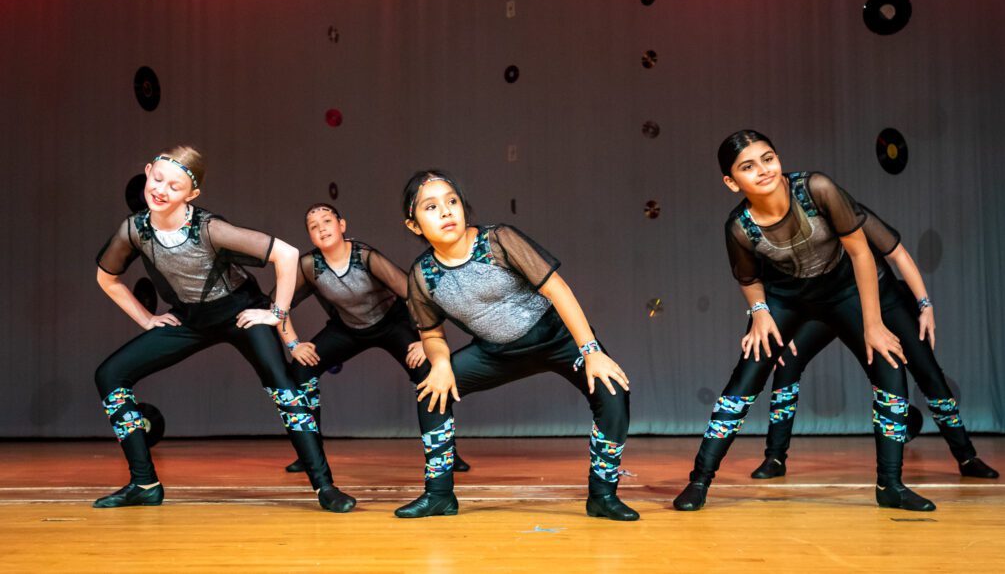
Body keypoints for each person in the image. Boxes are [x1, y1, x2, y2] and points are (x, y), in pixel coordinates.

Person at [674, 130, 934, 513]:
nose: (762, 170)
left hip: (842, 290)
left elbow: (862, 254)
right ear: (731, 182)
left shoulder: (816, 189)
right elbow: (748, 279)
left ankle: (891, 485)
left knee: (889, 364)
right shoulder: (739, 227)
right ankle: (699, 481)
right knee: (746, 377)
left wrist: (873, 324)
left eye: (767, 158)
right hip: (786, 298)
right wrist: (760, 314)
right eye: (748, 167)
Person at [94, 146, 354, 512]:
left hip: (240, 312)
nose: (161, 190)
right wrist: (147, 319)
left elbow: (287, 255)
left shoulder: (208, 228)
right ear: (148, 171)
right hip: (191, 319)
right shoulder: (135, 230)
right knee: (110, 375)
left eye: (175, 186)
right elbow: (107, 278)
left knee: (285, 391)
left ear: (192, 194)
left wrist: (275, 313)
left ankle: (325, 488)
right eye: (157, 179)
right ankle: (144, 483)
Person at [393, 170, 638, 520]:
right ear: (414, 226)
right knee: (431, 390)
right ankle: (439, 496)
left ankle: (602, 495)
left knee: (613, 391)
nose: (446, 212)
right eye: (431, 207)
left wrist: (591, 351)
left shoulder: (498, 241)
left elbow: (558, 290)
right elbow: (431, 334)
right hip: (498, 353)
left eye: (452, 202)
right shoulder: (422, 275)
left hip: (556, 339)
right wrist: (442, 365)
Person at [751, 205, 998, 480]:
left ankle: (966, 457)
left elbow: (899, 255)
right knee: (787, 360)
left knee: (927, 371)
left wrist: (925, 305)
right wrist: (775, 327)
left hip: (886, 301)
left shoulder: (845, 211)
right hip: (835, 305)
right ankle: (774, 457)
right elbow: (767, 284)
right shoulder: (787, 233)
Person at [277, 203, 470, 474]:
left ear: (342, 226)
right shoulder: (309, 266)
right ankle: (308, 452)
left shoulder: (364, 256)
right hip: (347, 328)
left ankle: (447, 453)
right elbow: (277, 305)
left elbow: (412, 292)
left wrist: (426, 340)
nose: (321, 228)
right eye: (313, 226)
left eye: (327, 221)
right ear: (309, 236)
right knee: (299, 370)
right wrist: (293, 344)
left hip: (392, 323)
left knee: (429, 371)